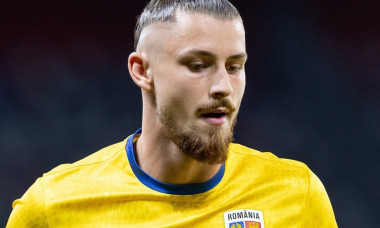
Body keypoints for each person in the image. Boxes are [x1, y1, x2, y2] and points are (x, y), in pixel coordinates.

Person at [7, 0, 337, 227]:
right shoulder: (53, 208)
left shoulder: (298, 193)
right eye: (198, 65)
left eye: (235, 66)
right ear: (141, 71)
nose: (223, 86)